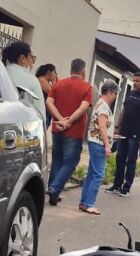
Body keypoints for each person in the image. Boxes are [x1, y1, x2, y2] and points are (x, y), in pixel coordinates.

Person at [46, 58, 93, 205]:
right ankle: (54, 188)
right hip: (73, 132)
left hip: (57, 128)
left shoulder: (59, 84)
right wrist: (69, 122)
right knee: (70, 162)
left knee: (57, 161)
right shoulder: (86, 87)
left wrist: (60, 119)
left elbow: (48, 102)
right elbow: (83, 107)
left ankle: (54, 194)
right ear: (83, 72)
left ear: (71, 70)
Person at [105, 72, 140, 197]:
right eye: (134, 81)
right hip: (124, 133)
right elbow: (123, 110)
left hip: (136, 135)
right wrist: (117, 126)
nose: (135, 83)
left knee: (131, 161)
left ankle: (126, 188)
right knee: (120, 159)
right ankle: (117, 185)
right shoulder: (131, 93)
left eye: (137, 81)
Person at [79, 80, 119, 215]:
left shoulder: (100, 104)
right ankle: (89, 204)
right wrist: (108, 145)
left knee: (91, 174)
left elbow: (103, 126)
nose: (115, 96)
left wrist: (112, 136)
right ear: (108, 92)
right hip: (99, 143)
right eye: (114, 93)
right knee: (98, 174)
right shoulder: (103, 106)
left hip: (95, 141)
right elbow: (102, 126)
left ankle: (84, 202)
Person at [1, 42, 46, 120]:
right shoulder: (32, 80)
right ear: (22, 58)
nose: (32, 62)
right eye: (32, 58)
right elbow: (40, 114)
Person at [35, 63, 57, 128]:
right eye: (55, 72)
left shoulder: (42, 80)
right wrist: (54, 81)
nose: (55, 75)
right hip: (44, 112)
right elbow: (53, 94)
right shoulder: (42, 80)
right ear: (49, 72)